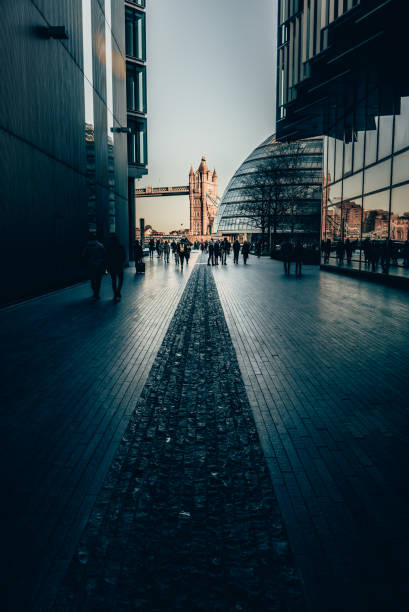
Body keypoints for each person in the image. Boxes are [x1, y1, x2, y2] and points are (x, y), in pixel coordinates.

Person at [82, 232, 106, 299]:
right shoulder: (100, 245)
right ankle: (97, 293)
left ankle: (94, 291)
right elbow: (104, 255)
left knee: (92, 279)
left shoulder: (87, 245)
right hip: (99, 264)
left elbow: (84, 255)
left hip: (91, 264)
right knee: (98, 279)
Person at [106, 234, 126, 300]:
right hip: (119, 265)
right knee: (121, 279)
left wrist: (107, 266)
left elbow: (107, 258)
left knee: (113, 280)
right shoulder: (121, 247)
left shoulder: (109, 248)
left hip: (112, 266)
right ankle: (118, 291)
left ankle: (115, 293)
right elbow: (124, 256)